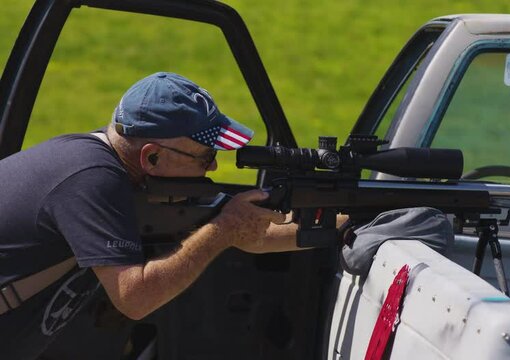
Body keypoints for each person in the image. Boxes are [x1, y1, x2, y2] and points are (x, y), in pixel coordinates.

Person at [0, 72, 301, 359]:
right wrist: (221, 231)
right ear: (152, 156)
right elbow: (136, 297)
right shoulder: (91, 178)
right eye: (206, 156)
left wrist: (341, 223)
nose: (211, 168)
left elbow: (253, 233)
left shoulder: (106, 169)